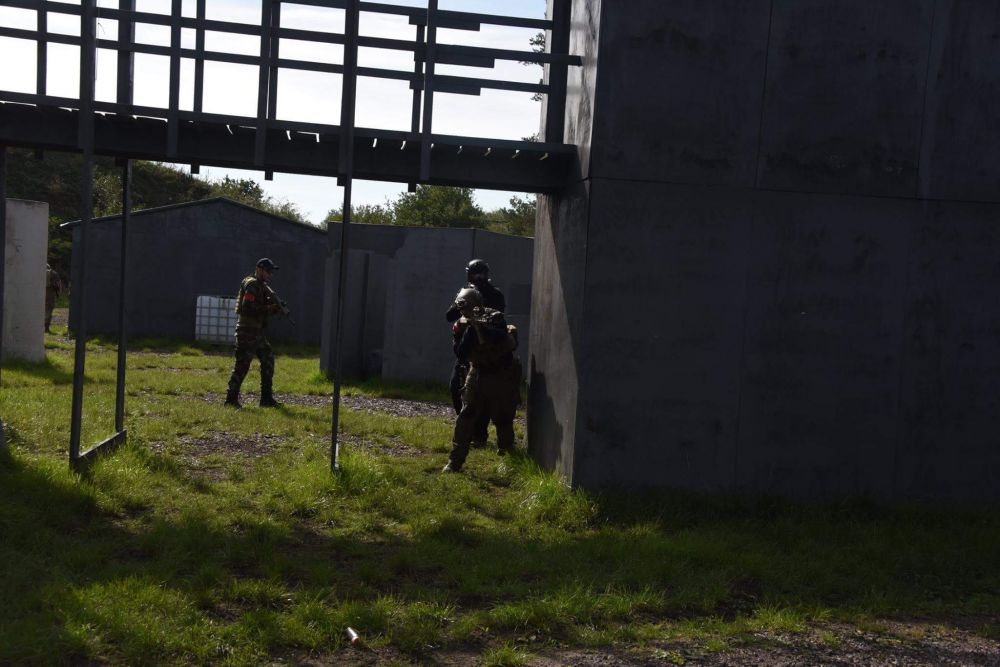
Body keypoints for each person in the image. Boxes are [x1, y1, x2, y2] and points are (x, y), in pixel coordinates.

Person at [443, 287, 521, 473]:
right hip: (476, 372)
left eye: (466, 308)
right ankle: (455, 461)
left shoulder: (495, 317)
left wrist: (483, 329)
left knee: (502, 417)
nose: (464, 313)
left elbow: (501, 338)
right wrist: (470, 331)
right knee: (466, 416)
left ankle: (507, 457)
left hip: (499, 374)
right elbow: (460, 353)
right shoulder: (462, 325)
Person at [446, 259, 505, 444]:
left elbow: (499, 321)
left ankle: (480, 434)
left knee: (486, 396)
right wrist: (463, 305)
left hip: (486, 352)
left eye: (481, 274)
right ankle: (467, 430)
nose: (478, 277)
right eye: (474, 274)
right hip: (467, 348)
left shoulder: (494, 294)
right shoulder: (466, 293)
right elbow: (450, 315)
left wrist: (482, 315)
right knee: (455, 387)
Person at [225, 258, 286, 408]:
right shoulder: (252, 284)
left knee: (268, 360)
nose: (270, 275)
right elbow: (248, 308)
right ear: (259, 269)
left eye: (271, 272)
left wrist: (275, 308)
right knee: (242, 365)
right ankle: (231, 399)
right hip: (247, 332)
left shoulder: (261, 286)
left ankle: (266, 399)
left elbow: (260, 308)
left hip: (256, 332)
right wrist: (270, 309)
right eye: (268, 271)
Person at [44, 264, 63, 333]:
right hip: (50, 292)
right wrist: (58, 294)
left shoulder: (37, 272)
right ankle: (46, 327)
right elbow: (58, 284)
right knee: (48, 309)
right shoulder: (53, 273)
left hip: (39, 292)